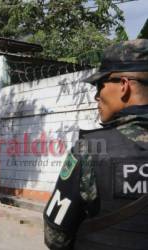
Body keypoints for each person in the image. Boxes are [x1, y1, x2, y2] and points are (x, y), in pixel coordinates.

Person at [43, 39, 148, 250]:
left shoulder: (91, 149)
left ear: (124, 86)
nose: (96, 95)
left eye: (100, 85)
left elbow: (56, 237)